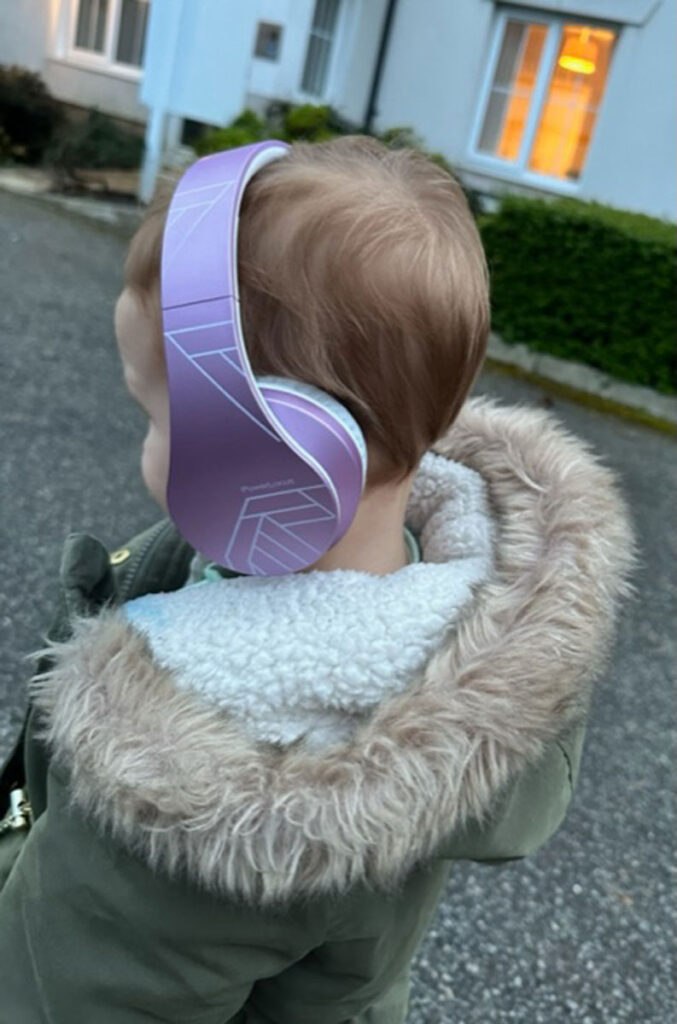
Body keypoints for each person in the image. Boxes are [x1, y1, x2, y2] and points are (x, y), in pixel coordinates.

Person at [0, 136, 633, 1023]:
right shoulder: (442, 619)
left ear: (271, 466)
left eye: (154, 416)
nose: (146, 447)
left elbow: (59, 996)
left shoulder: (200, 802)